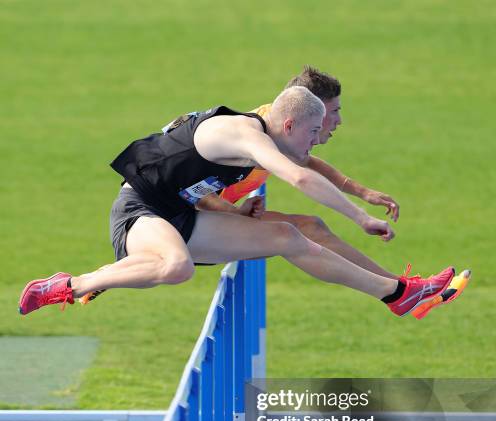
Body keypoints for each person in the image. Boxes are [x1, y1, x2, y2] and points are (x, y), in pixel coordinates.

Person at [19, 86, 456, 318]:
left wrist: (236, 212)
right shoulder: (245, 134)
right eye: (311, 134)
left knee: (289, 235)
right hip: (141, 212)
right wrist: (360, 216)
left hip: (182, 214)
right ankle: (70, 284)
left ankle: (398, 294)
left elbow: (298, 166)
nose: (314, 144)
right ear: (288, 123)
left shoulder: (268, 132)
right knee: (176, 267)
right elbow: (300, 175)